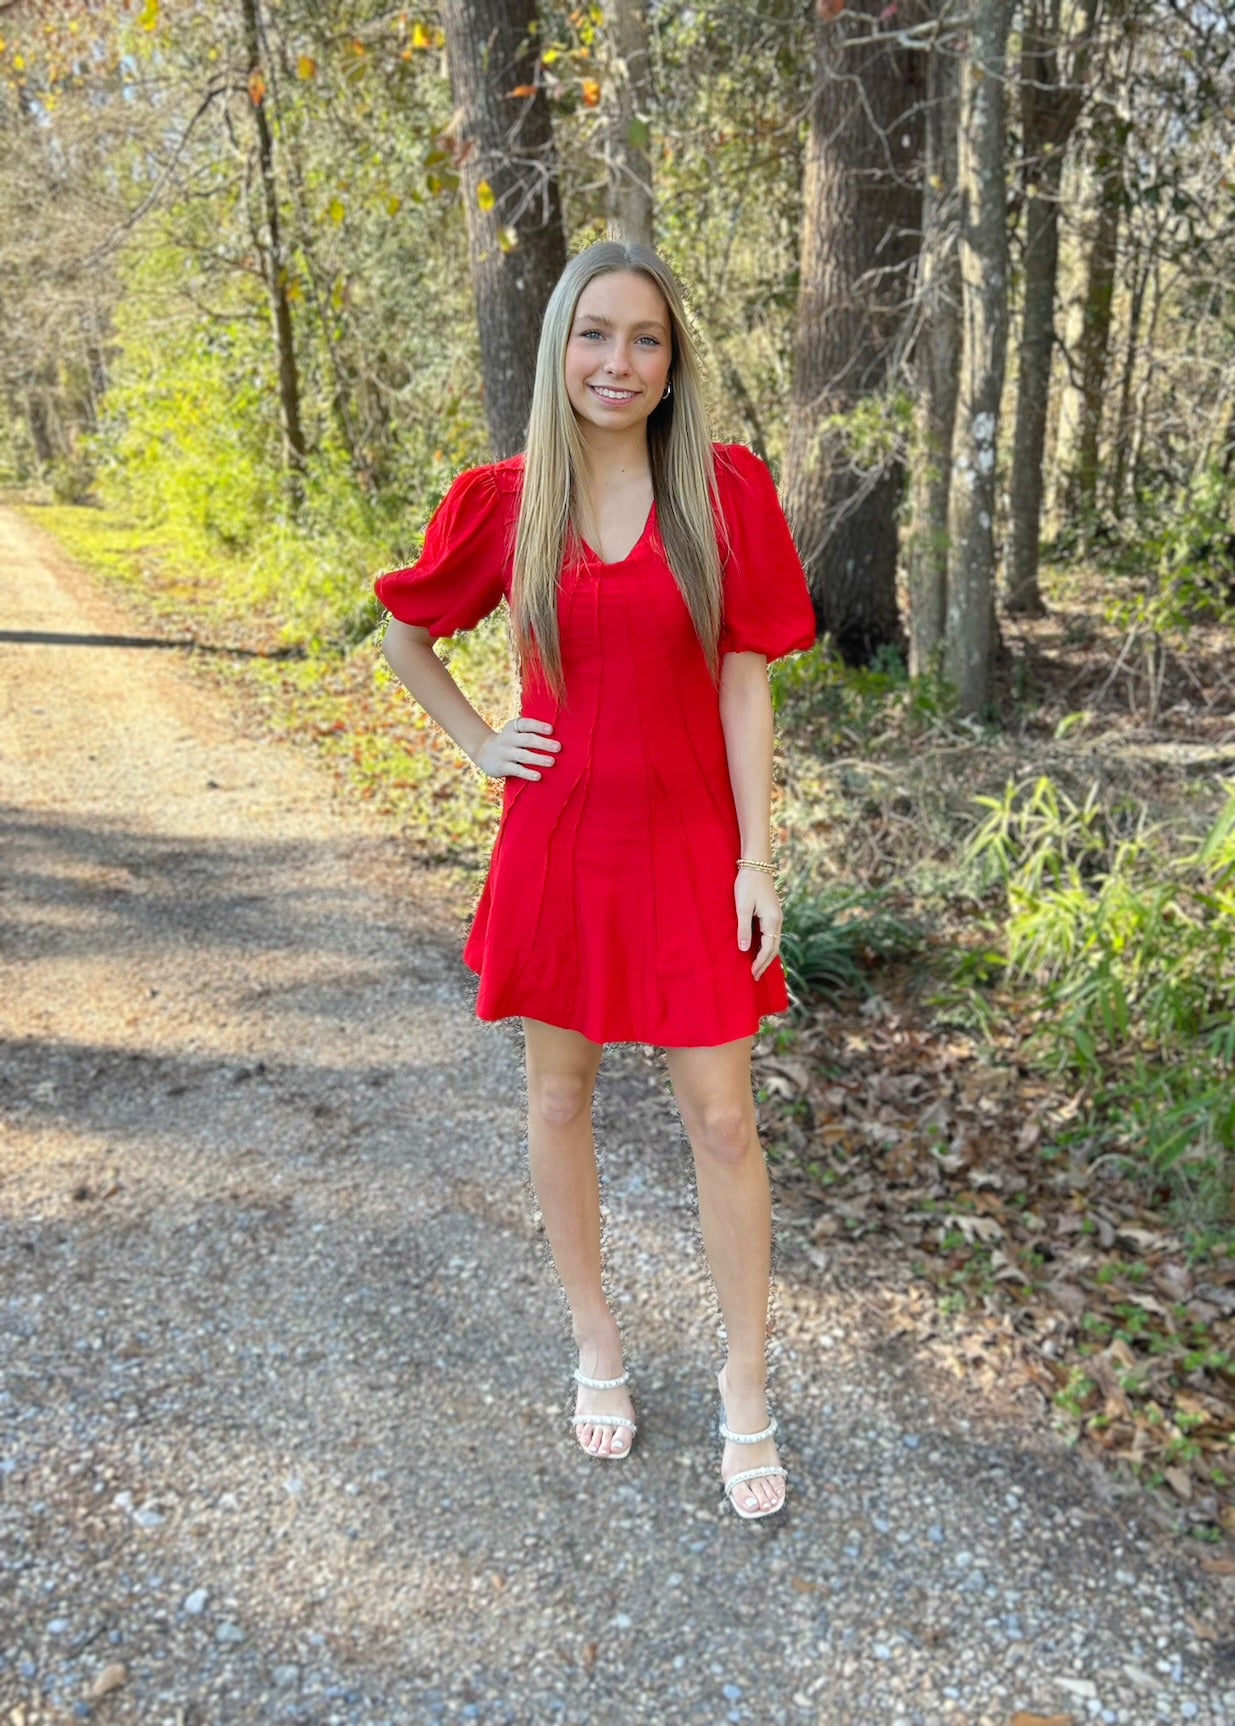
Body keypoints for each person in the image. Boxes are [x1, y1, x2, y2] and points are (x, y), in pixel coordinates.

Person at [375, 239, 816, 1520]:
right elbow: (407, 632)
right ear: (558, 346)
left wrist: (755, 856)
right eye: (594, 335)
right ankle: (597, 1347)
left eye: (644, 341)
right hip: (559, 845)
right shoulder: (503, 500)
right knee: (558, 1105)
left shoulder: (724, 492)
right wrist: (477, 743)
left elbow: (744, 680)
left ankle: (744, 1386)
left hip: (688, 850)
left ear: (672, 367)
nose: (617, 362)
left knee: (723, 1122)